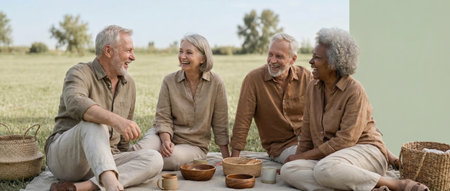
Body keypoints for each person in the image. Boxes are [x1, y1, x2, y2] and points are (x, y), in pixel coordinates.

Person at [281, 28, 429, 191]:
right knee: (289, 171)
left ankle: (395, 184)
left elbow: (345, 141)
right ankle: (367, 187)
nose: (310, 61)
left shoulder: (354, 90)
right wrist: (295, 159)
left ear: (333, 63)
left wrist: (302, 156)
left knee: (325, 170)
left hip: (366, 151)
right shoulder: (313, 87)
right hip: (333, 160)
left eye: (316, 58)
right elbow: (307, 134)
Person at [45, 25, 163, 191]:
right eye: (128, 50)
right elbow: (76, 103)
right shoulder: (79, 72)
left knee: (154, 159)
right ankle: (112, 186)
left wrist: (125, 154)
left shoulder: (129, 84)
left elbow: (122, 141)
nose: (133, 57)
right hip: (67, 159)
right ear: (108, 51)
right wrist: (117, 121)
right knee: (94, 123)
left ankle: (79, 188)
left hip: (105, 160)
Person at [131, 34, 230, 170]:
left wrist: (227, 160)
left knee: (168, 159)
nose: (182, 56)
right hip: (162, 134)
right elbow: (163, 117)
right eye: (181, 51)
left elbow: (220, 124)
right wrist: (166, 140)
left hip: (194, 145)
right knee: (138, 151)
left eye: (189, 52)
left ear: (203, 58)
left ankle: (114, 171)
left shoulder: (216, 83)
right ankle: (106, 169)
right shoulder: (169, 81)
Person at [230, 33, 312, 163]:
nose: (272, 61)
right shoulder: (253, 80)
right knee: (309, 160)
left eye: (279, 56)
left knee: (332, 154)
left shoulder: (306, 76)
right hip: (283, 147)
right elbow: (242, 121)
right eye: (270, 55)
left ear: (293, 59)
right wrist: (233, 159)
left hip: (311, 140)